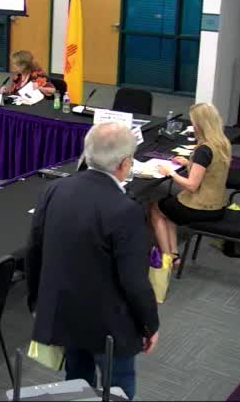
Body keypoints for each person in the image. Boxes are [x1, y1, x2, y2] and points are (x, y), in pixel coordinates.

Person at [25, 122, 159, 400]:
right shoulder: (126, 210)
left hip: (66, 311)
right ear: (125, 163)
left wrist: (37, 301)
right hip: (110, 325)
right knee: (118, 386)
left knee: (76, 380)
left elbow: (35, 250)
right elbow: (134, 281)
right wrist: (150, 324)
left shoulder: (54, 189)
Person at [150, 103, 231, 265]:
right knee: (170, 206)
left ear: (200, 125)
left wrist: (170, 172)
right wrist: (189, 163)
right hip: (219, 205)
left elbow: (192, 186)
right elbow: (211, 170)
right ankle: (174, 254)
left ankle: (167, 256)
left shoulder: (203, 150)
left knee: (156, 209)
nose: (192, 126)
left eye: (194, 122)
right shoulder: (222, 143)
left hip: (201, 208)